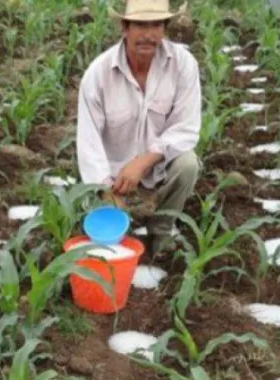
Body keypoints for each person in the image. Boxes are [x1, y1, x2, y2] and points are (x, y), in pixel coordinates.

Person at [76, 0, 201, 255]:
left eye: (156, 24)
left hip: (158, 165)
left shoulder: (183, 64)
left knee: (188, 164)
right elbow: (89, 143)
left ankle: (162, 232)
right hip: (113, 174)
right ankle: (118, 230)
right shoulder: (98, 74)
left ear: (165, 27)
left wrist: (143, 162)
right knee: (111, 234)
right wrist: (105, 189)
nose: (148, 34)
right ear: (125, 26)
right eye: (140, 25)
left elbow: (185, 129)